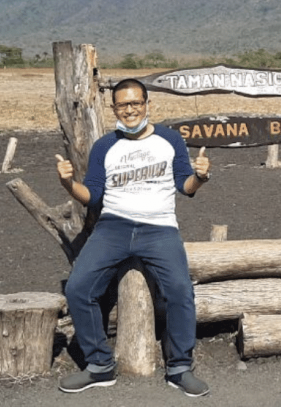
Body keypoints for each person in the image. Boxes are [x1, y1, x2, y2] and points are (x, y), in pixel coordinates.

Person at [54, 78, 211, 397]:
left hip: (159, 227)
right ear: (114, 108)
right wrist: (69, 184)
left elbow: (186, 187)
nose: (130, 110)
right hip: (113, 227)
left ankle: (180, 367)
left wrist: (201, 177)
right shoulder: (105, 146)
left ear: (147, 104)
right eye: (123, 105)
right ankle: (99, 365)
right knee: (78, 288)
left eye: (135, 103)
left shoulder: (169, 140)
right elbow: (92, 196)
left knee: (180, 290)